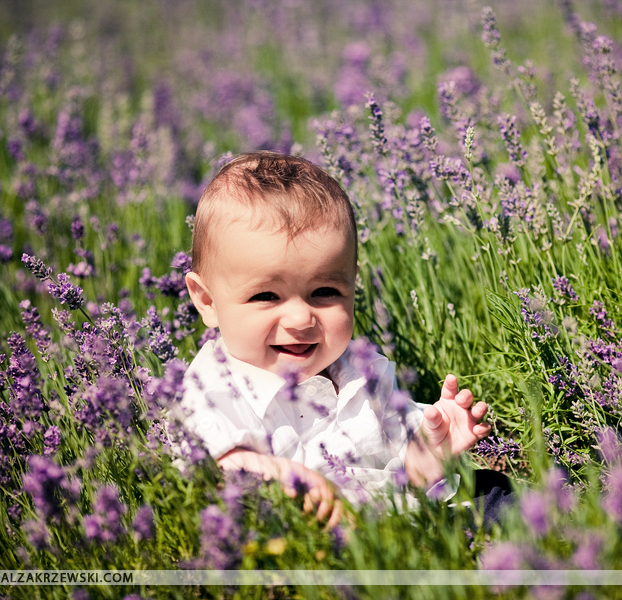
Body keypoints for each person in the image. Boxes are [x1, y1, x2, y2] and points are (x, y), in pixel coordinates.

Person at [176, 151, 510, 528]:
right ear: (207, 301)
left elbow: (405, 474)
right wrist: (285, 477)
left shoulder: (361, 371)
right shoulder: (212, 387)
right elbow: (218, 464)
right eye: (266, 296)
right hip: (308, 540)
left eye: (324, 292)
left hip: (398, 519)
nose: (301, 318)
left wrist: (430, 452)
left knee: (502, 493)